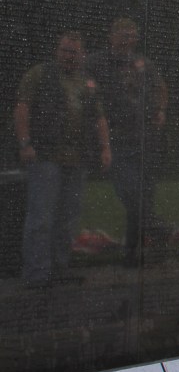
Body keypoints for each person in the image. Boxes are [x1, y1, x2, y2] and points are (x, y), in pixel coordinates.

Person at [14, 31, 112, 287]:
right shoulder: (39, 74)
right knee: (41, 217)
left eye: (75, 52)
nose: (70, 56)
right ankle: (37, 274)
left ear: (83, 55)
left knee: (68, 217)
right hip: (45, 155)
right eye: (66, 50)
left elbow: (99, 117)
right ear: (57, 51)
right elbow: (22, 108)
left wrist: (105, 148)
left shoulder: (87, 82)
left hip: (77, 158)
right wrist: (25, 143)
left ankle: (60, 268)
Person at [87, 17, 169, 267]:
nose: (128, 40)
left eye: (132, 35)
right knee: (132, 193)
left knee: (145, 194)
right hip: (116, 139)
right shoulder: (96, 62)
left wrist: (160, 109)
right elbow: (86, 93)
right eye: (123, 35)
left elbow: (161, 87)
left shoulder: (143, 63)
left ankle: (133, 255)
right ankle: (155, 226)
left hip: (143, 138)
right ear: (111, 36)